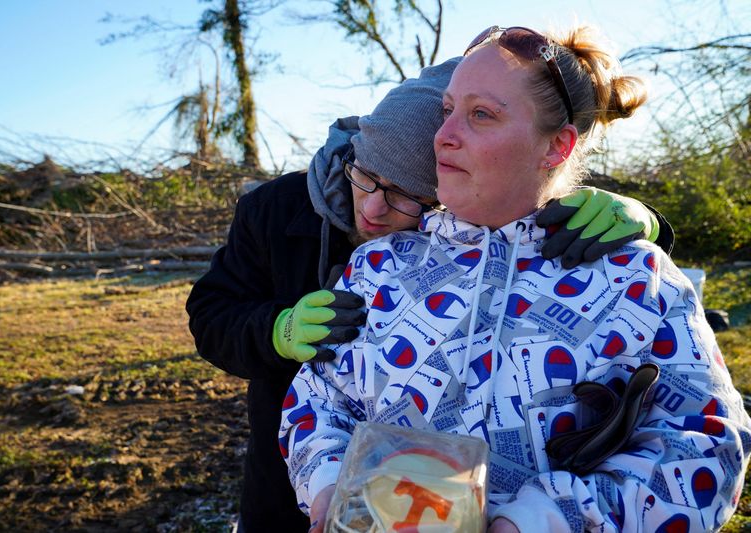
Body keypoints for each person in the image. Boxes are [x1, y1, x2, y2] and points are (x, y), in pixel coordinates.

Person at [279, 25, 751, 533]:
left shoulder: (635, 278)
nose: (444, 135)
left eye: (481, 114)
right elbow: (320, 402)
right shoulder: (380, 267)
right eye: (447, 111)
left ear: (556, 147)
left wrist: (542, 520)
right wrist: (333, 488)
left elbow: (705, 444)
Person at [187, 57, 670, 532]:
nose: (374, 207)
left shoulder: (454, 232)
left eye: (407, 196)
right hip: (293, 482)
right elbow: (210, 315)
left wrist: (646, 222)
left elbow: (522, 186)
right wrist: (276, 331)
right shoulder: (272, 209)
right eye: (368, 176)